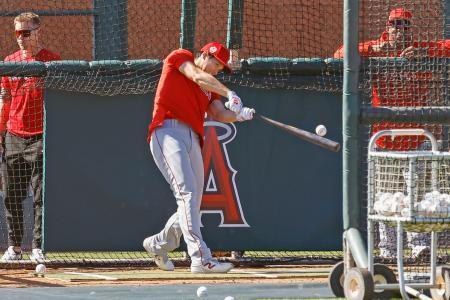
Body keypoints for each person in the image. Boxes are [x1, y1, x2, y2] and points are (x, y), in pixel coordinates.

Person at [334, 8, 450, 259]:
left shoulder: (420, 48)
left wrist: (425, 54)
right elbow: (339, 54)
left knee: (418, 199)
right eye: (395, 24)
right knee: (385, 199)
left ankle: (420, 246)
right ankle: (388, 250)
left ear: (410, 29)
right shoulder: (377, 47)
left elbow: (448, 46)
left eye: (404, 25)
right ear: (387, 27)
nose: (399, 29)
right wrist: (373, 51)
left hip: (417, 138)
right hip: (385, 139)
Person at [142, 42, 254, 273]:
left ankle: (157, 244)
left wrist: (239, 116)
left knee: (192, 201)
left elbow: (219, 113)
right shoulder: (180, 57)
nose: (217, 70)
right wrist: (229, 92)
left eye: (221, 68)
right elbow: (196, 76)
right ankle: (201, 258)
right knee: (187, 194)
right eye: (216, 64)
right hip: (167, 130)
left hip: (193, 136)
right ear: (204, 55)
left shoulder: (211, 88)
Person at [0, 12, 61, 262]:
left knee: (40, 196)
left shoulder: (52, 62)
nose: (21, 38)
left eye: (26, 32)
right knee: (11, 195)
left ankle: (38, 247)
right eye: (17, 33)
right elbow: (4, 101)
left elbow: (59, 104)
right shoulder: (9, 61)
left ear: (38, 32)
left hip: (40, 136)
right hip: (14, 135)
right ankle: (14, 247)